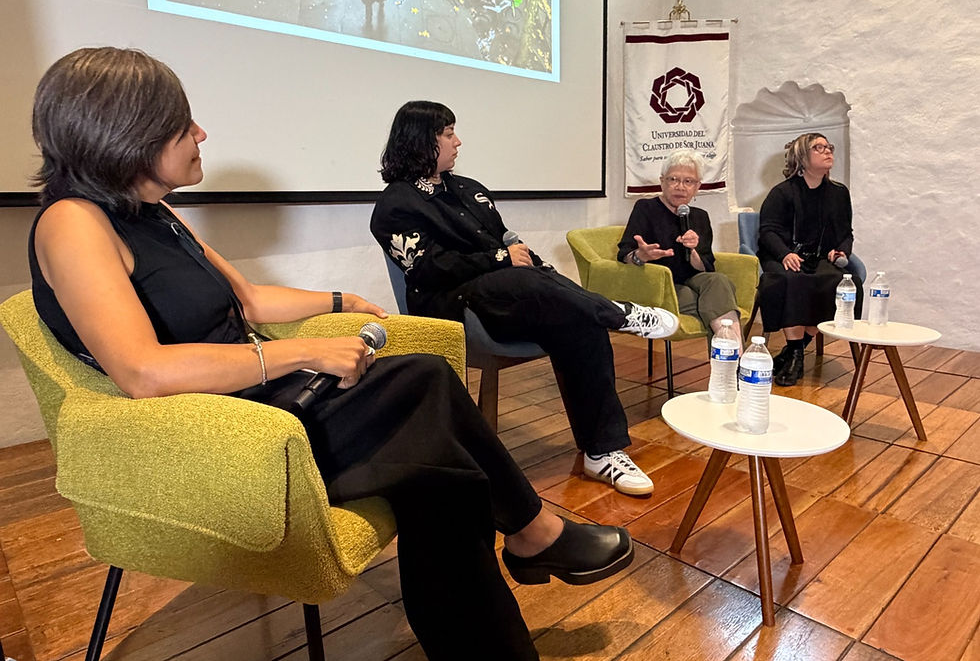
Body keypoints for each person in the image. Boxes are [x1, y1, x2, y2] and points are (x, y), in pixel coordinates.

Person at [28, 47, 637, 661]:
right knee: (428, 408)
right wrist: (304, 355)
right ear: (124, 133)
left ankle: (509, 599)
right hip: (225, 435)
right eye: (182, 124)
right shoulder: (73, 224)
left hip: (260, 404)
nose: (201, 133)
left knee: (437, 456)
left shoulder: (152, 215)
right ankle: (532, 536)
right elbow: (144, 371)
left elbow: (248, 301)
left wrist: (341, 299)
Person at [370, 100, 680, 497]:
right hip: (453, 304)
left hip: (508, 296)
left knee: (574, 317)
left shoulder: (470, 191)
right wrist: (500, 259)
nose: (458, 142)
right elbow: (428, 268)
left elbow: (508, 242)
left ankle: (602, 453)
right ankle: (617, 313)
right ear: (421, 140)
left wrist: (528, 263)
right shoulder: (395, 204)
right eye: (448, 134)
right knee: (523, 282)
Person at [757, 132, 862, 387]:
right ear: (802, 157)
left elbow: (845, 233)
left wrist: (842, 252)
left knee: (841, 283)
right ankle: (795, 353)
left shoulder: (838, 193)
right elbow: (767, 231)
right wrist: (785, 254)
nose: (828, 152)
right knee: (788, 280)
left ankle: (795, 350)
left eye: (829, 147)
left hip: (818, 258)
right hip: (784, 255)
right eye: (819, 148)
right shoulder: (782, 193)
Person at [617, 149, 740, 337]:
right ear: (662, 182)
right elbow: (624, 254)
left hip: (692, 280)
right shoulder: (645, 208)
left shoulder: (700, 217)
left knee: (720, 281)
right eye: (673, 179)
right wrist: (641, 256)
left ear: (697, 186)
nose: (680, 187)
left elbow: (706, 268)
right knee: (716, 302)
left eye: (688, 181)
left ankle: (731, 359)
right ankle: (734, 360)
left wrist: (694, 251)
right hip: (660, 284)